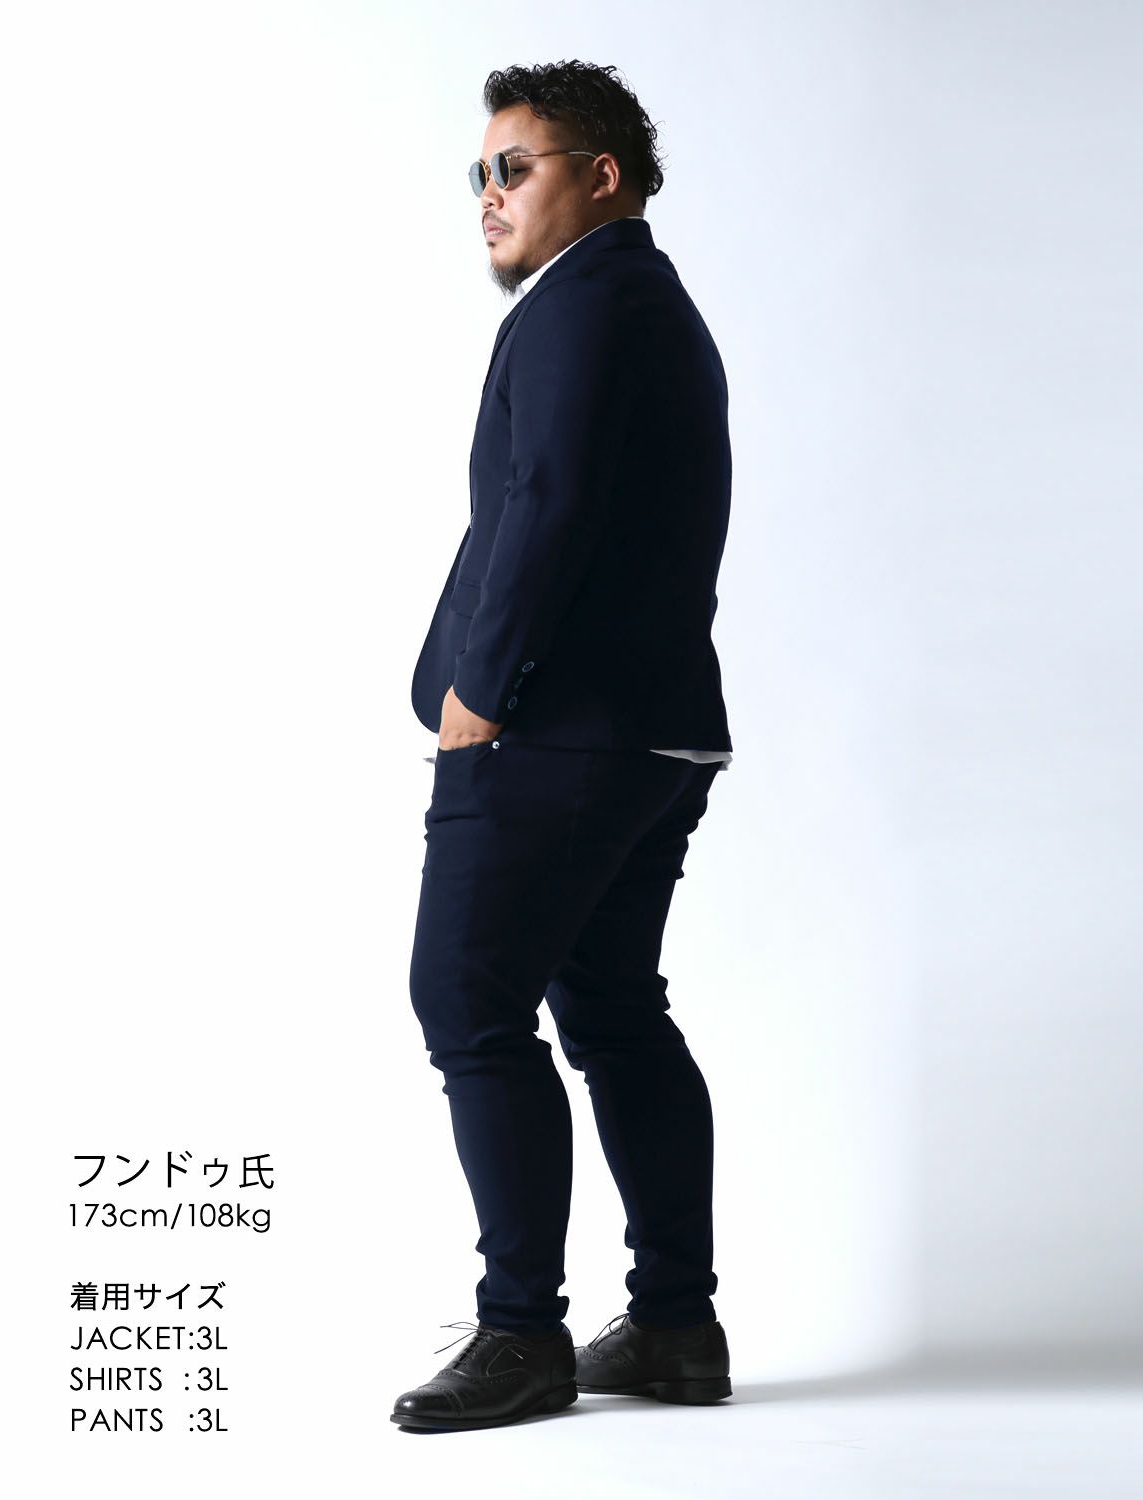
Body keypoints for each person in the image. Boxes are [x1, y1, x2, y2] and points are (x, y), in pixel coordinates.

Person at [395, 60, 734, 1432]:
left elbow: (550, 502)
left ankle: (521, 1333)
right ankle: (673, 1326)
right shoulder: (648, 306)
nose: (490, 194)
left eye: (516, 167)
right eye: (480, 172)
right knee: (611, 1011)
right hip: (656, 732)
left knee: (466, 1002)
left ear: (601, 178)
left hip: (563, 729)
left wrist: (481, 688)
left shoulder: (586, 303)